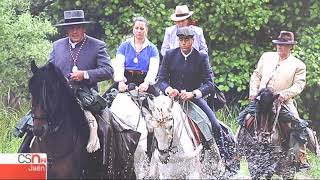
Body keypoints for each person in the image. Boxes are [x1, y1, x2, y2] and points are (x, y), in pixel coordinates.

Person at [237, 31, 310, 170]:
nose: (280, 47)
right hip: (260, 99)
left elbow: (299, 85)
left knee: (298, 124)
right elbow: (256, 75)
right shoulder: (266, 57)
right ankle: (237, 152)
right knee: (244, 119)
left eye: (284, 45)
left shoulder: (298, 65)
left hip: (283, 101)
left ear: (291, 47)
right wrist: (253, 92)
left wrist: (285, 94)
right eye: (279, 44)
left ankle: (301, 157)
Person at [158, 26, 229, 161]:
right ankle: (151, 159)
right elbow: (161, 79)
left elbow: (209, 83)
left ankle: (223, 159)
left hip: (194, 99)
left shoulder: (201, 57)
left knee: (214, 124)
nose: (183, 42)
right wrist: (169, 90)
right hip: (171, 99)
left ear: (193, 40)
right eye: (181, 40)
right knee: (156, 123)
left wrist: (194, 93)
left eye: (186, 39)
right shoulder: (169, 55)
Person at [48, 9, 114, 153]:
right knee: (34, 122)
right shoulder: (57, 46)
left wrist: (85, 74)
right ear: (66, 30)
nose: (75, 31)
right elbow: (49, 71)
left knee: (105, 128)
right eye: (71, 28)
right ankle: (26, 154)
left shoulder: (97, 45)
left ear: (84, 28)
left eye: (78, 27)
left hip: (87, 97)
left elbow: (108, 71)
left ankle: (103, 162)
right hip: (60, 97)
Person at [107, 16, 160, 95]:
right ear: (133, 29)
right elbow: (119, 64)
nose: (139, 31)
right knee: (105, 101)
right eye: (136, 28)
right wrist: (120, 81)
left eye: (142, 28)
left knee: (159, 102)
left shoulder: (152, 48)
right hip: (126, 78)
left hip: (143, 80)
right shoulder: (124, 46)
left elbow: (153, 69)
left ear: (146, 30)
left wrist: (146, 83)